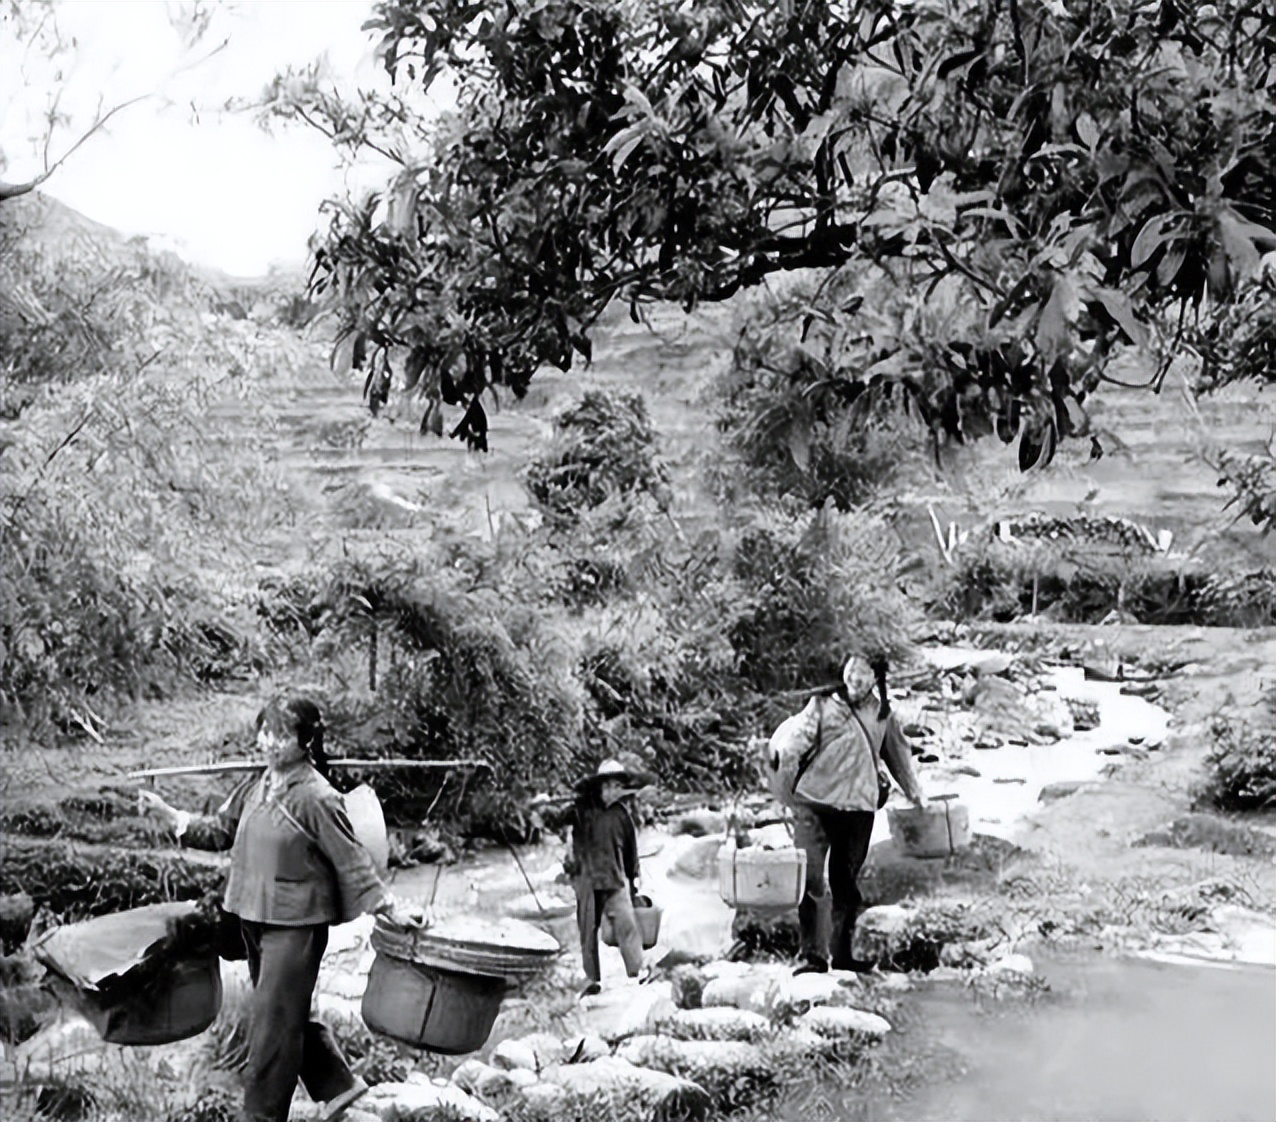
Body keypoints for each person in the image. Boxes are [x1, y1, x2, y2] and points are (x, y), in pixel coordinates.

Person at [139, 695, 422, 1122]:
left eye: (280, 734)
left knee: (271, 1026)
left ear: (306, 740)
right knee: (285, 1012)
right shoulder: (258, 785)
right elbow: (220, 831)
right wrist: (171, 817)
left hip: (295, 927)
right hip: (252, 915)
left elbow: (351, 860)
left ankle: (262, 1116)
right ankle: (338, 1087)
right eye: (264, 731)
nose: (268, 742)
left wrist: (388, 908)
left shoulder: (316, 797)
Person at [772, 655, 926, 975]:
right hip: (814, 805)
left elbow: (898, 758)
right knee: (811, 878)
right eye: (851, 669)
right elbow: (791, 749)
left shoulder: (882, 714)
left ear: (876, 677)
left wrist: (916, 796)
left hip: (858, 810)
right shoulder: (820, 706)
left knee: (846, 884)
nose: (855, 677)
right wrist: (781, 788)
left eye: (864, 671)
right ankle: (812, 956)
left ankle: (841, 954)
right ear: (844, 670)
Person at [559, 759, 649, 997]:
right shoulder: (582, 810)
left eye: (618, 786)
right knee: (588, 932)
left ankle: (637, 973)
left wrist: (634, 877)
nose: (615, 791)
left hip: (614, 879)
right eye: (610, 786)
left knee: (627, 925)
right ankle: (591, 980)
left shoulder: (622, 815)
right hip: (587, 880)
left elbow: (631, 850)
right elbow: (558, 820)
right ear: (602, 787)